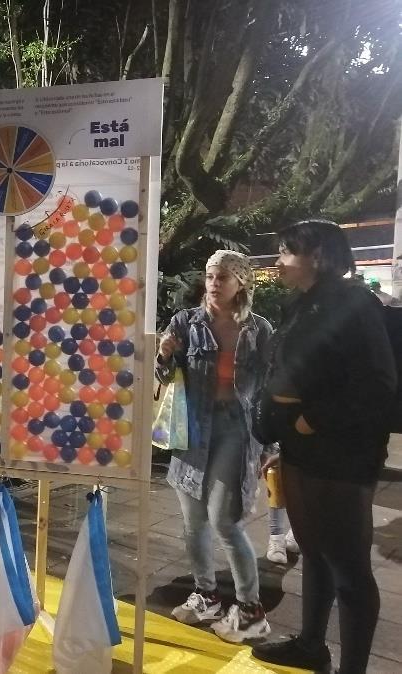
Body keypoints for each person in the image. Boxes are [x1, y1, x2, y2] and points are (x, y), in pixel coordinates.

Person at [252, 220, 395, 674]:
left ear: (316, 256)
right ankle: (311, 644)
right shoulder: (305, 303)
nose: (278, 261)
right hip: (303, 450)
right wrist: (287, 436)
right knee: (315, 552)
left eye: (286, 251)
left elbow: (378, 383)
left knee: (349, 569)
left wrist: (311, 420)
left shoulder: (353, 302)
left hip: (342, 457)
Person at [156, 250, 274, 643]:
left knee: (224, 521)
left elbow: (268, 389)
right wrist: (164, 354)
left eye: (223, 276)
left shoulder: (259, 330)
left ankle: (250, 609)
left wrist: (270, 443)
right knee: (193, 523)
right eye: (210, 276)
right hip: (192, 429)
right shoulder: (185, 322)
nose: (213, 283)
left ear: (241, 282)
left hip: (236, 430)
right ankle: (205, 594)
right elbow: (164, 377)